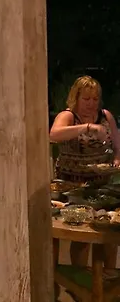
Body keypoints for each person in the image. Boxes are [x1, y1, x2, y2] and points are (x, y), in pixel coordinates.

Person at [50, 75, 120, 274]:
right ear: (76, 98)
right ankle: (79, 279)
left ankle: (109, 277)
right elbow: (53, 134)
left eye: (95, 99)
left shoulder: (105, 116)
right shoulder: (68, 116)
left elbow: (117, 146)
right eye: (86, 99)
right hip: (73, 187)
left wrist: (116, 160)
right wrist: (87, 127)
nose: (91, 104)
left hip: (101, 184)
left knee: (109, 234)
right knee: (82, 237)